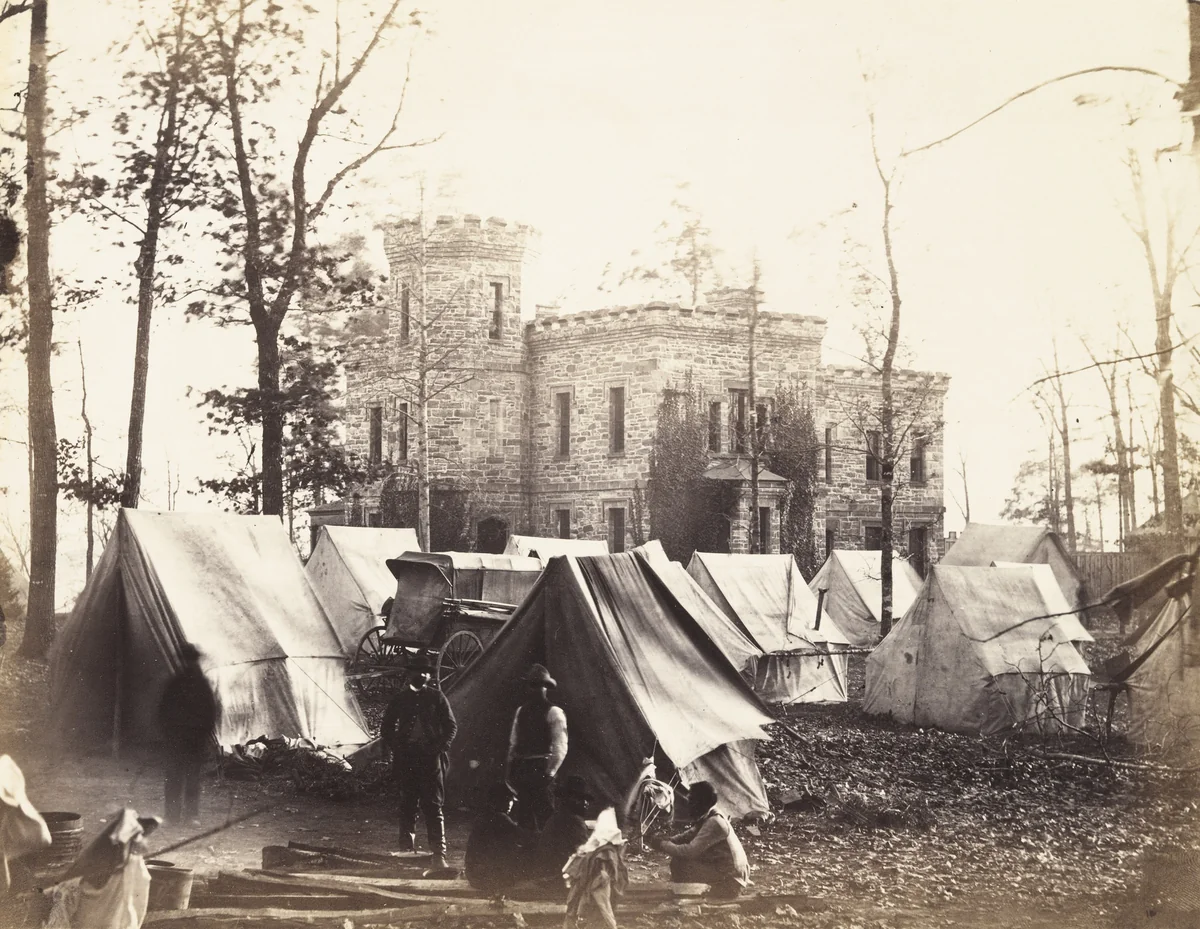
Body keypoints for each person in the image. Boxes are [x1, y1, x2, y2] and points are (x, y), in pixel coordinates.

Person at [381, 653, 457, 869]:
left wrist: (439, 747)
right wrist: (398, 747)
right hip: (407, 760)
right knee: (407, 804)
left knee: (433, 806)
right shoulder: (399, 699)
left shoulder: (437, 697)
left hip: (431, 760)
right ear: (410, 674)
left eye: (427, 673)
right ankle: (406, 852)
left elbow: (452, 727)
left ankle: (439, 854)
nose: (423, 676)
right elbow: (386, 728)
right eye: (419, 672)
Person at [646, 781, 750, 898]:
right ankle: (693, 891)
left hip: (733, 878)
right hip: (731, 872)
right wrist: (662, 840)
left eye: (692, 801)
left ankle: (699, 894)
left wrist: (661, 844)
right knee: (680, 862)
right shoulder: (710, 814)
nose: (688, 805)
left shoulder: (714, 821)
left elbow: (688, 852)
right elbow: (686, 836)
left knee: (680, 864)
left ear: (701, 802)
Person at [157, 643, 218, 824]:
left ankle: (190, 815)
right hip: (178, 738)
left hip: (194, 739)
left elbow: (210, 713)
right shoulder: (176, 684)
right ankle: (172, 815)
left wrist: (204, 734)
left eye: (192, 660)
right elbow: (164, 711)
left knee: (191, 778)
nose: (190, 664)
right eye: (188, 660)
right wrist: (169, 733)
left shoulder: (201, 685)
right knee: (175, 777)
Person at [506, 663, 567, 831]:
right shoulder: (521, 711)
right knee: (525, 817)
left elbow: (560, 746)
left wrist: (549, 773)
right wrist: (511, 766)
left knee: (545, 817)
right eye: (533, 685)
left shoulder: (554, 712)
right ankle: (527, 854)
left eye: (540, 686)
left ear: (546, 688)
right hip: (524, 769)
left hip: (542, 769)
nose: (536, 689)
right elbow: (514, 741)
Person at [464, 782, 535, 895]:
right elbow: (524, 837)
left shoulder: (483, 816)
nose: (510, 804)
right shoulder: (500, 818)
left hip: (474, 874)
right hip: (485, 877)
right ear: (498, 801)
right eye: (508, 800)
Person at [531, 774, 592, 882]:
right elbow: (585, 850)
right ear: (569, 799)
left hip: (549, 870)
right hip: (558, 874)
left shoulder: (560, 816)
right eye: (580, 799)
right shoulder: (572, 820)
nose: (585, 804)